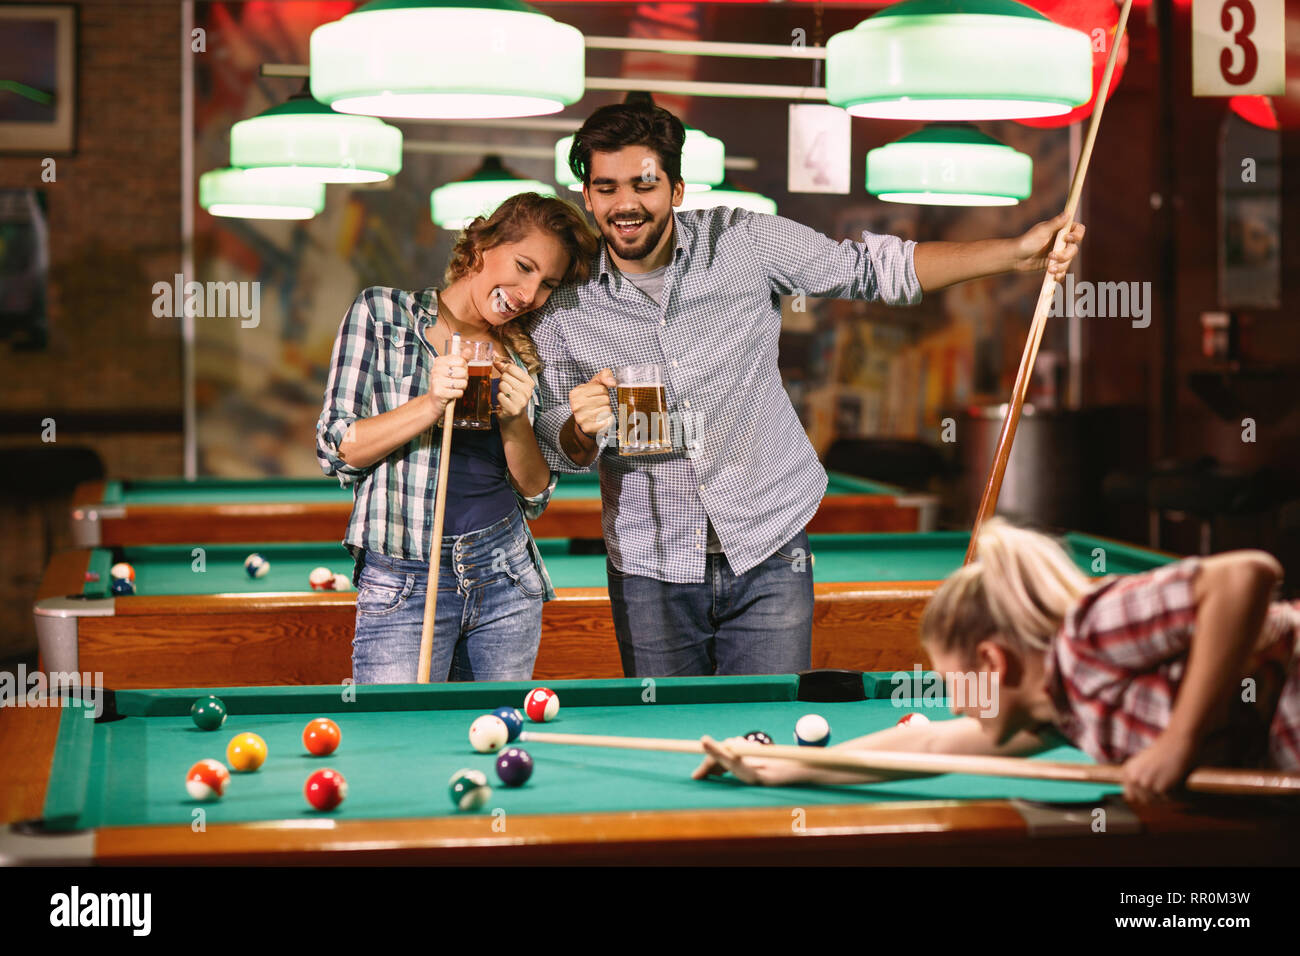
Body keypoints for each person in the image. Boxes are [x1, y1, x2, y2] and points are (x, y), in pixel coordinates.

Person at [529, 99, 1087, 678]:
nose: (626, 204)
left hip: (769, 548)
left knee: (766, 736)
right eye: (606, 187)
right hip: (651, 562)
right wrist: (577, 426)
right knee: (670, 734)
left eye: (643, 184)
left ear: (675, 189)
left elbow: (871, 269)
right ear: (587, 196)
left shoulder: (743, 242)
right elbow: (555, 446)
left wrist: (1014, 254)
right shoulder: (566, 301)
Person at [692, 519, 1300, 804]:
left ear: (992, 662)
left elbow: (1247, 575)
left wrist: (1178, 743)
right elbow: (926, 749)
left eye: (956, 681)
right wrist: (779, 767)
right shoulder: (1056, 713)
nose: (954, 702)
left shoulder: (1088, 633)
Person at [316, 193, 598, 683]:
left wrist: (514, 421)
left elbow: (534, 493)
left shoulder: (525, 353)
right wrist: (429, 405)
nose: (529, 294)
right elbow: (338, 447)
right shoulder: (384, 314)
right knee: (396, 744)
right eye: (524, 266)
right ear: (484, 245)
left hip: (505, 574)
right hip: (404, 573)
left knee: (496, 738)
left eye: (547, 283)